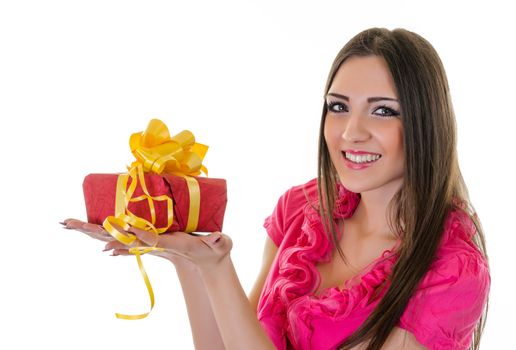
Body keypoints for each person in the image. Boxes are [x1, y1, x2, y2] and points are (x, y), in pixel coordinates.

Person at [62, 27, 491, 350]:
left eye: (382, 111)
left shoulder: (452, 270)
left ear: (424, 124)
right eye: (338, 107)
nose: (351, 132)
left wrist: (217, 269)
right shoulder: (301, 211)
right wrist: (189, 262)